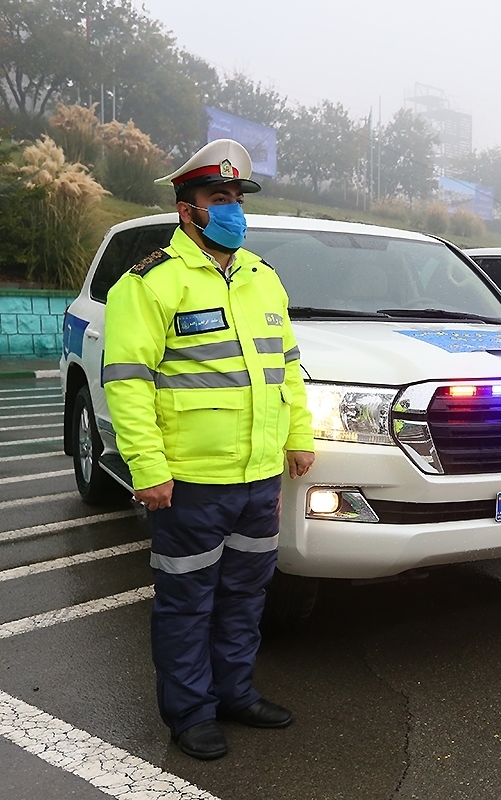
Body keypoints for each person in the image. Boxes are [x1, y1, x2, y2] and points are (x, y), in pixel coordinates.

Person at [103, 140, 315, 761]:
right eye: (217, 198)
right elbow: (128, 381)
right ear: (185, 209)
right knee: (187, 602)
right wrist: (147, 467)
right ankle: (190, 712)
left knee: (246, 597)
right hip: (188, 482)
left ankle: (235, 694)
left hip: (257, 478)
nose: (231, 210)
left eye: (236, 199)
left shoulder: (262, 279)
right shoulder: (149, 285)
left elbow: (289, 369)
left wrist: (298, 438)